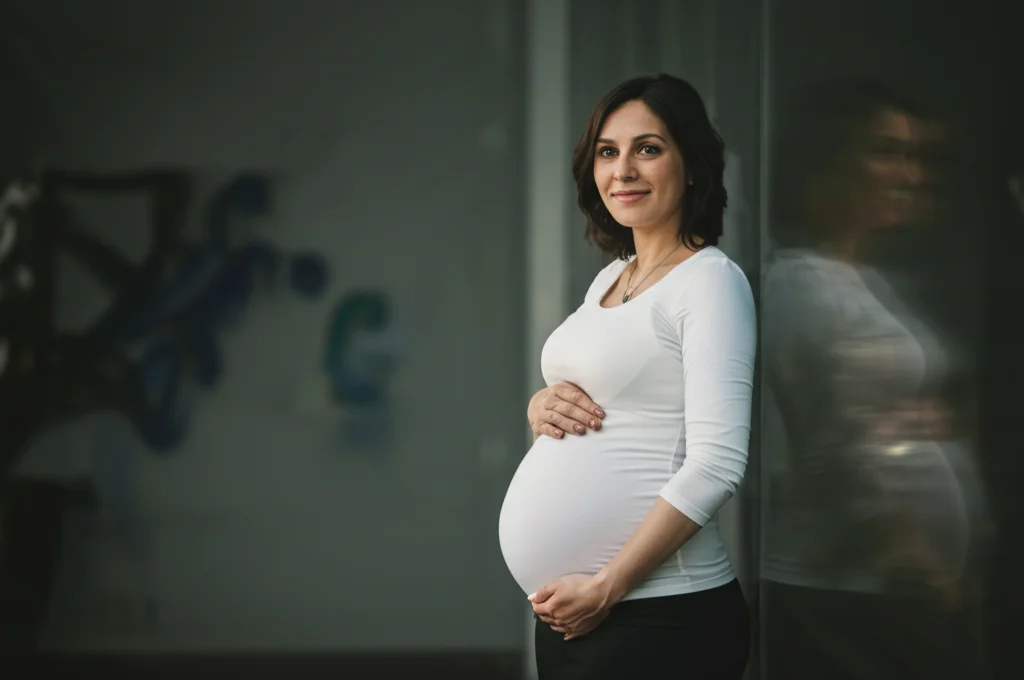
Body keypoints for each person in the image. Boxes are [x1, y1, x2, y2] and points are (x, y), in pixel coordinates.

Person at [498, 74, 756, 679]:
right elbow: (618, 404)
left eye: (648, 148)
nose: (623, 170)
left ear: (691, 165)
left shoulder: (710, 281)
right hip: (580, 616)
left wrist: (607, 587)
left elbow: (718, 463)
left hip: (656, 614)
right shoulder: (613, 276)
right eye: (608, 152)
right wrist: (541, 407)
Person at [760, 79, 989, 680]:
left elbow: (883, 412)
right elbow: (842, 449)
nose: (912, 174)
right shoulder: (802, 285)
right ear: (825, 163)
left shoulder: (863, 279)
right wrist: (917, 557)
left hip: (886, 589)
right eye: (887, 152)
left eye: (918, 156)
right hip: (850, 592)